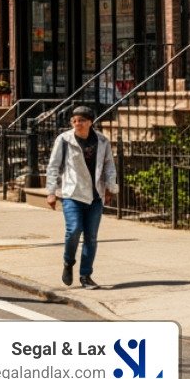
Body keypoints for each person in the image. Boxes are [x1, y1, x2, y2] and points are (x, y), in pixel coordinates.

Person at [46, 105, 117, 290]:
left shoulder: (102, 141)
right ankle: (68, 262)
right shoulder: (64, 140)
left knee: (91, 237)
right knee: (74, 230)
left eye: (82, 120)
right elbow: (53, 166)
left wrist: (110, 187)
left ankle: (86, 276)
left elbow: (109, 165)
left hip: (95, 196)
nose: (78, 123)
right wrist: (51, 192)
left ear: (90, 122)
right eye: (74, 120)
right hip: (72, 193)